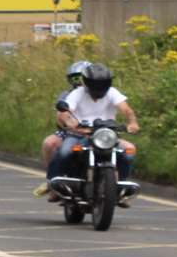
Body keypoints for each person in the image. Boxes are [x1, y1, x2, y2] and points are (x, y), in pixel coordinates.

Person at [39, 63, 140, 206]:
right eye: (95, 83)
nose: (99, 87)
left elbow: (126, 109)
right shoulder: (77, 93)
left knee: (129, 151)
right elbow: (65, 112)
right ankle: (53, 185)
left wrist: (132, 123)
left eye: (102, 83)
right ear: (86, 82)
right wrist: (69, 123)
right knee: (64, 152)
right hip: (79, 134)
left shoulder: (112, 92)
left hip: (106, 135)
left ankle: (121, 188)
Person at [34, 61, 94, 195]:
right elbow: (61, 116)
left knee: (125, 149)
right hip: (70, 132)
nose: (79, 82)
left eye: (82, 77)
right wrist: (70, 125)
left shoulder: (102, 94)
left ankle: (116, 186)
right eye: (75, 78)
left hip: (98, 133)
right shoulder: (66, 95)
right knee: (49, 143)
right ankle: (53, 182)